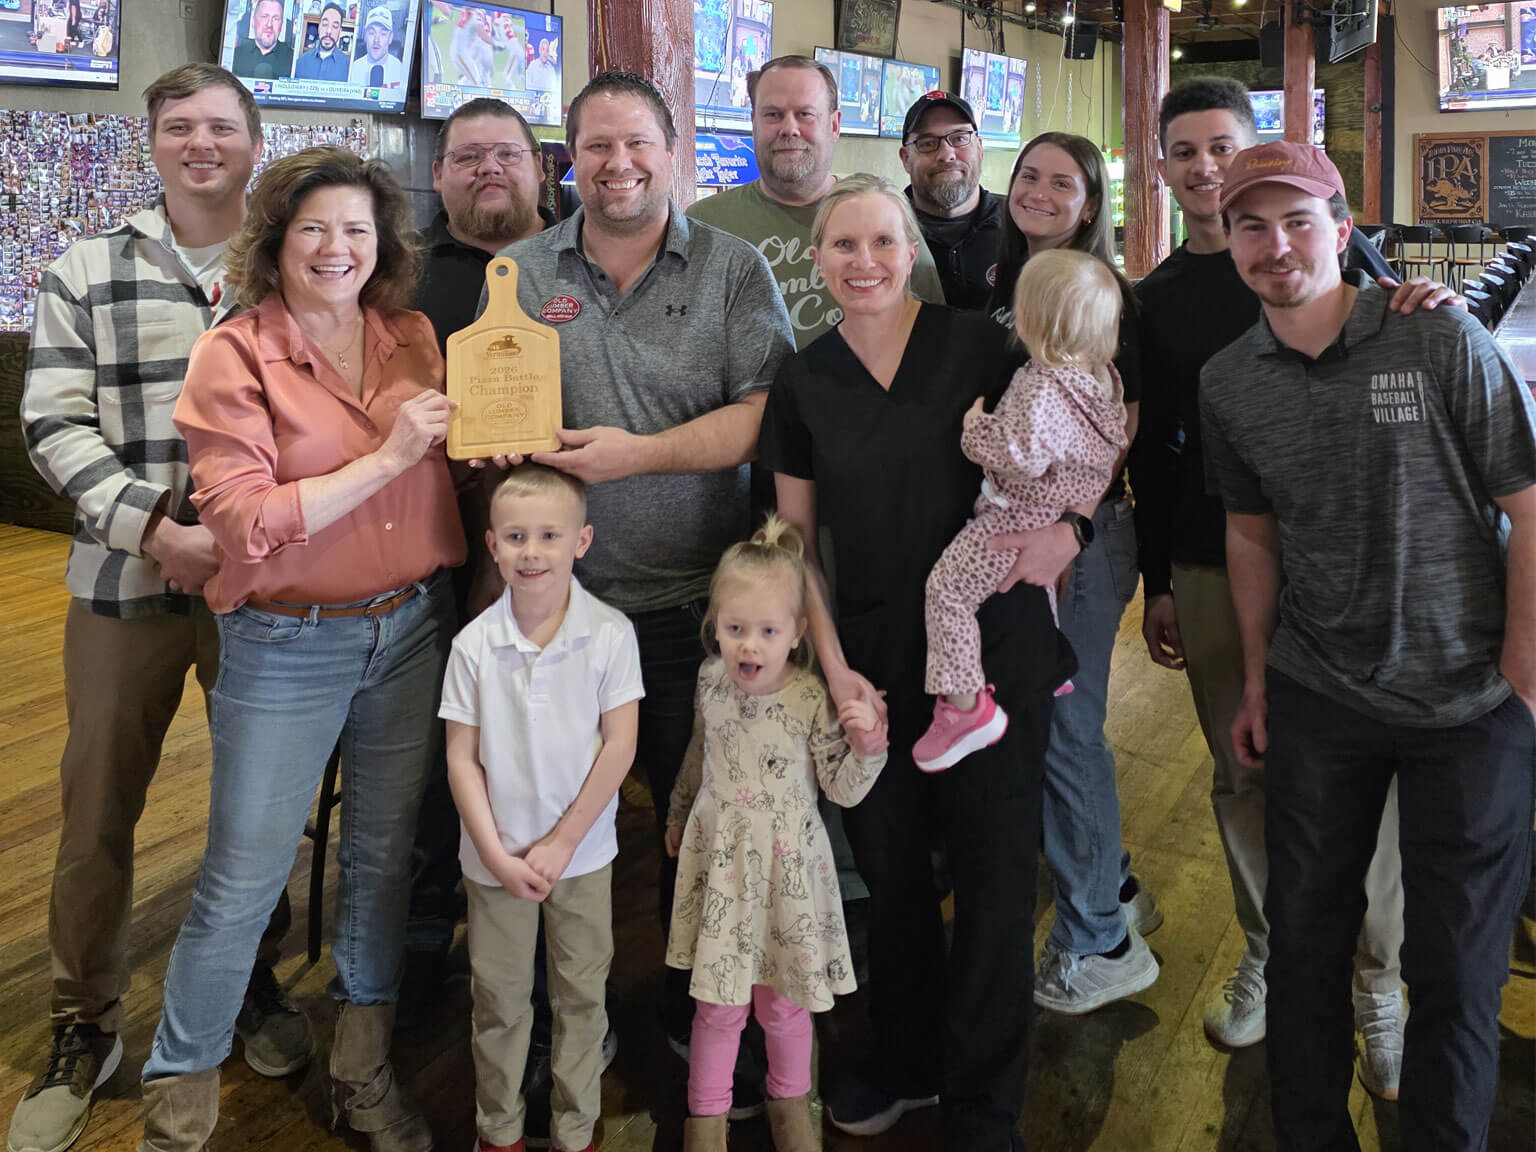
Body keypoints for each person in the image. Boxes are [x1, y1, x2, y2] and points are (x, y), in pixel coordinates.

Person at [1201, 138, 1536, 1152]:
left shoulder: (1439, 341)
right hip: (1319, 688)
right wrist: (1256, 680)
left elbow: (1526, 500)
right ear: (1226, 242)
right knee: (1305, 950)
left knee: (1460, 970)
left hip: (1470, 700)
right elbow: (1250, 533)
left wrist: (1525, 664)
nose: (1274, 244)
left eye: (1297, 219)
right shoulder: (1229, 382)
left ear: (1343, 231)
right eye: (1250, 225)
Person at [138, 146, 464, 1152]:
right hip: (286, 643)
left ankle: (362, 1075)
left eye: (358, 229)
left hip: (411, 628)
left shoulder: (411, 335)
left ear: (385, 246)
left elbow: (467, 454)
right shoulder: (232, 354)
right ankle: (177, 1105)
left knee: (380, 862)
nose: (337, 247)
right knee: (245, 873)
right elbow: (242, 524)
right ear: (276, 241)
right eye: (316, 227)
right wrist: (392, 456)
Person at [8, 64, 309, 1152]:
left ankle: (255, 986)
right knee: (96, 821)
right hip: (122, 588)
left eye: (221, 126)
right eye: (179, 125)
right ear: (153, 142)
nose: (200, 144)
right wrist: (156, 527)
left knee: (256, 812)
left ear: (252, 142)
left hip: (263, 597)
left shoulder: (289, 272)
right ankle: (82, 1027)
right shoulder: (87, 266)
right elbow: (53, 423)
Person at [1131, 76, 1456, 1082]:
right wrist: (1160, 581)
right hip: (1212, 556)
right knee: (1248, 774)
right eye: (1183, 151)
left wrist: (1429, 298)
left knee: (1375, 778)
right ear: (1164, 168)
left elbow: (1397, 312)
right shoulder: (1153, 301)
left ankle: (1378, 977)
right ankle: (1274, 952)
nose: (1204, 165)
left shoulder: (1320, 251)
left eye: (1220, 144)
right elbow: (1151, 455)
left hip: (1357, 557)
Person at [497, 70, 794, 1115]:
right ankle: (558, 1023)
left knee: (699, 825)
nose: (617, 164)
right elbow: (495, 415)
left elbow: (764, 416)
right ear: (568, 158)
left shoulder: (731, 268)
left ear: (675, 153)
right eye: (596, 147)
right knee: (547, 824)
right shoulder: (521, 273)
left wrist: (634, 459)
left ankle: (691, 1006)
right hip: (556, 614)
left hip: (693, 609)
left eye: (638, 145)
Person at [760, 173, 1073, 1147]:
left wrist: (1077, 526)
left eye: (883, 244)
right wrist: (834, 665)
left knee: (990, 877)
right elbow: (791, 540)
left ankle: (984, 1100)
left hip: (995, 652)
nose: (864, 263)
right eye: (843, 246)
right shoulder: (804, 379)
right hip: (877, 658)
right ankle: (905, 1057)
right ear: (818, 261)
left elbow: (1080, 447)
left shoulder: (982, 345)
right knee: (891, 874)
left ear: (914, 253)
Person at [984, 132, 1163, 1017]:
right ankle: (1117, 887)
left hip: (1080, 546)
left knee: (1066, 731)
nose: (1042, 192)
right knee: (1058, 725)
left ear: (1091, 204)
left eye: (1065, 182)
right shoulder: (1004, 283)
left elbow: (1118, 426)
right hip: (1027, 537)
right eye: (1029, 176)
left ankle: (1101, 940)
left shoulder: (1102, 295)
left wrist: (1069, 527)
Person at [400, 95, 555, 1024]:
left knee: (547, 760)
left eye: (508, 154)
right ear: (439, 174)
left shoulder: (581, 260)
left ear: (541, 168)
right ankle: (421, 942)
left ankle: (547, 956)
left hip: (571, 559)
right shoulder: (396, 272)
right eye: (467, 157)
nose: (488, 169)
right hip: (434, 557)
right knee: (431, 758)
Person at [664, 516, 888, 1152]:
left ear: (796, 635)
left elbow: (841, 789)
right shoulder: (711, 682)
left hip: (787, 876)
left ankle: (791, 1106)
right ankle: (704, 1120)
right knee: (717, 1005)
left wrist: (869, 747)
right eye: (735, 629)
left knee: (784, 1004)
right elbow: (697, 752)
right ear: (715, 625)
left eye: (766, 631)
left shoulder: (811, 697)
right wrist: (680, 811)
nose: (749, 647)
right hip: (724, 871)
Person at [441, 465, 643, 1152]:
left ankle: (576, 1129)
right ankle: (497, 1131)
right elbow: (461, 758)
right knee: (498, 1003)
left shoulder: (611, 635)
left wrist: (560, 844)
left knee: (581, 999)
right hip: (493, 861)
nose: (533, 552)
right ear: (492, 545)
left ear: (581, 541)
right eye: (517, 537)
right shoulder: (472, 647)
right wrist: (497, 854)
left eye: (549, 536)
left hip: (583, 859)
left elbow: (619, 747)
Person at [917, 250, 1131, 777]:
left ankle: (966, 708)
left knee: (946, 592)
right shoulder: (1101, 380)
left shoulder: (1042, 384)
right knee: (1039, 591)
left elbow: (1020, 458)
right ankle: (1052, 664)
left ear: (1032, 319)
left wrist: (975, 430)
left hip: (1014, 517)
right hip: (1056, 509)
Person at [687, 54, 945, 349]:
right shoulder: (702, 225)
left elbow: (934, 330)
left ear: (834, 125)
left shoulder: (885, 214)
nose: (789, 128)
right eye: (772, 114)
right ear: (753, 123)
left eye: (805, 114)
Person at [898, 91, 1003, 310]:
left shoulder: (1019, 225)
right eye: (927, 143)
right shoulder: (882, 230)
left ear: (980, 148)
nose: (946, 154)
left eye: (959, 138)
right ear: (906, 159)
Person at [231, 0, 293, 80]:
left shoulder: (292, 60)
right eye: (264, 16)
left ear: (281, 24)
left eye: (276, 18)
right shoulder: (235, 56)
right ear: (253, 21)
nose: (269, 24)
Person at [348, 5, 404, 90]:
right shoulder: (353, 69)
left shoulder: (401, 70)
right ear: (365, 36)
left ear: (390, 37)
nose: (376, 40)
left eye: (383, 34)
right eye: (371, 33)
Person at [293, 2, 348, 82]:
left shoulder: (348, 66)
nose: (329, 31)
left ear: (340, 32)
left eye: (335, 26)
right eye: (325, 24)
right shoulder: (301, 62)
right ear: (319, 27)